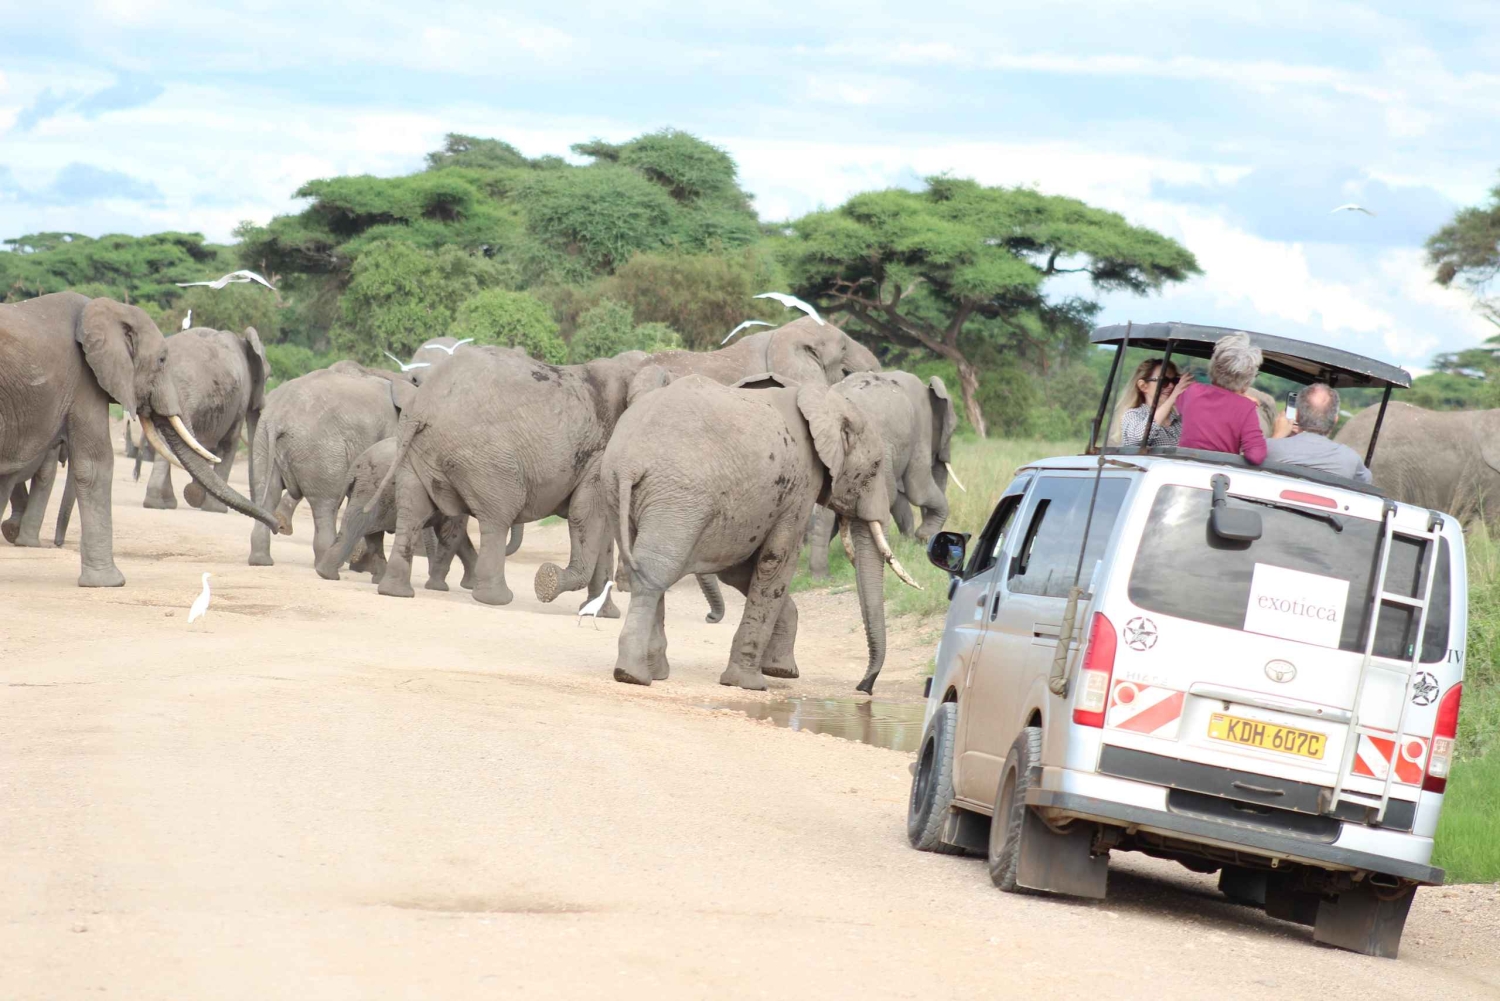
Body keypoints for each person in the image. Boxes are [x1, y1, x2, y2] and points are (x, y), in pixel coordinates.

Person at [1176, 332, 1273, 464]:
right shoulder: (1246, 408)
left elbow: (1180, 407)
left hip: (1183, 465)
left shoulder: (1192, 391)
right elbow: (1256, 455)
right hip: (1218, 471)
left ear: (1213, 367)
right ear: (1247, 379)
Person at [1266, 383, 1372, 483]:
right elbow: (1366, 483)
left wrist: (1277, 435)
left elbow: (1260, 462)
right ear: (1335, 420)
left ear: (1297, 416)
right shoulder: (1351, 459)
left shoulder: (1272, 447)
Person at [1116, 358, 1191, 448]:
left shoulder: (1179, 420)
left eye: (1175, 381)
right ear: (1143, 386)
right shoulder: (1133, 414)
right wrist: (1172, 398)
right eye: (1164, 381)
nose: (1171, 386)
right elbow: (1138, 439)